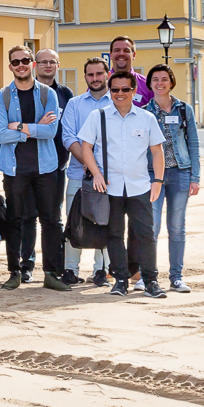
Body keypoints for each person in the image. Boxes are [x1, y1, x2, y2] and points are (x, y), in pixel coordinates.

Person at [72, 71, 167, 299]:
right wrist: (96, 174)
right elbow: (86, 147)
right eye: (115, 90)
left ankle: (151, 280)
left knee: (145, 235)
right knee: (114, 235)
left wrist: (158, 181)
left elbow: (157, 151)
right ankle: (121, 280)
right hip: (110, 188)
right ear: (110, 91)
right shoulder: (99, 116)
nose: (120, 94)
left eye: (125, 89)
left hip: (140, 187)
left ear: (134, 91)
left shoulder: (146, 118)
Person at [0, 45, 68, 292]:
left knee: (51, 221)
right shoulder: (1, 96)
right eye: (16, 62)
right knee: (15, 220)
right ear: (10, 66)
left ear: (32, 63)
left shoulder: (48, 94)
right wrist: (34, 128)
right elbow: (1, 135)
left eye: (26, 60)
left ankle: (51, 273)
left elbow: (51, 131)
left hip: (46, 167)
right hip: (15, 169)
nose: (21, 65)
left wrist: (20, 126)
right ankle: (15, 272)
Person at [144, 64, 199, 293]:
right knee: (151, 226)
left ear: (171, 82)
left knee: (177, 227)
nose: (159, 83)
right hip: (152, 175)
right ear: (149, 84)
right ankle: (148, 276)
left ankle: (176, 276)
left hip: (180, 173)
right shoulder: (144, 112)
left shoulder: (184, 110)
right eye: (155, 79)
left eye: (164, 79)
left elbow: (193, 143)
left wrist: (195, 176)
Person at [60, 57, 112, 286]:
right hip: (77, 173)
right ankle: (70, 270)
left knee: (107, 221)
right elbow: (68, 137)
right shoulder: (75, 104)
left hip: (111, 175)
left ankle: (102, 270)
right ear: (85, 77)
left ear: (107, 74)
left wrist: (100, 167)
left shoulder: (117, 102)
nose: (95, 79)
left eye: (99, 74)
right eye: (90, 75)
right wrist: (90, 164)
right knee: (74, 220)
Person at [24, 48, 73, 283]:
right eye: (42, 62)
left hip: (57, 165)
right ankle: (27, 265)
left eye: (52, 62)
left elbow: (67, 128)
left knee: (53, 219)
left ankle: (54, 268)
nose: (47, 66)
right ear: (35, 65)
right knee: (28, 217)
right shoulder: (24, 91)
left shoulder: (66, 94)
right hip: (28, 163)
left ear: (58, 65)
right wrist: (37, 126)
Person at [107, 35, 152, 106]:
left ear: (133, 55)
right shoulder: (100, 84)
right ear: (110, 55)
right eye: (117, 50)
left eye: (126, 50)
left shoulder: (147, 85)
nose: (121, 53)